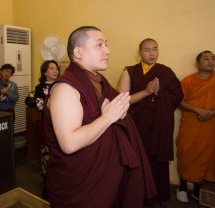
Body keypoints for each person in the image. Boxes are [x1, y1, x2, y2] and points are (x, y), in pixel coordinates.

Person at [44, 26, 156, 208]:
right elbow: (69, 143)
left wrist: (119, 111)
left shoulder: (99, 81)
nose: (107, 50)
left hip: (107, 178)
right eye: (99, 45)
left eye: (106, 44)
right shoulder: (66, 88)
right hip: (80, 185)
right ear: (78, 52)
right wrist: (107, 118)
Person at [117, 38, 183, 206]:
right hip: (136, 125)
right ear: (139, 53)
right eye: (147, 50)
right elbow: (121, 100)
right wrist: (147, 92)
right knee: (136, 160)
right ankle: (135, 196)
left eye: (155, 49)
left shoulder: (165, 72)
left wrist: (161, 93)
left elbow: (177, 97)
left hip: (159, 127)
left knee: (157, 163)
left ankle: (156, 199)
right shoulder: (129, 71)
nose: (152, 53)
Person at [176, 50, 215, 203]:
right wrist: (198, 110)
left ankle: (198, 190)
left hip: (210, 127)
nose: (210, 61)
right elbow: (178, 101)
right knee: (186, 152)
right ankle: (183, 187)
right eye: (206, 59)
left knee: (206, 156)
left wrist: (211, 113)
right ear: (198, 63)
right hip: (191, 124)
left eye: (213, 59)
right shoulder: (188, 81)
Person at [34, 60, 60, 200]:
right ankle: (46, 180)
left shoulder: (62, 85)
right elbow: (40, 106)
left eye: (56, 68)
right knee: (46, 153)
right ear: (45, 71)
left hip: (61, 124)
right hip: (47, 124)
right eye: (51, 68)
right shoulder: (40, 87)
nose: (55, 71)